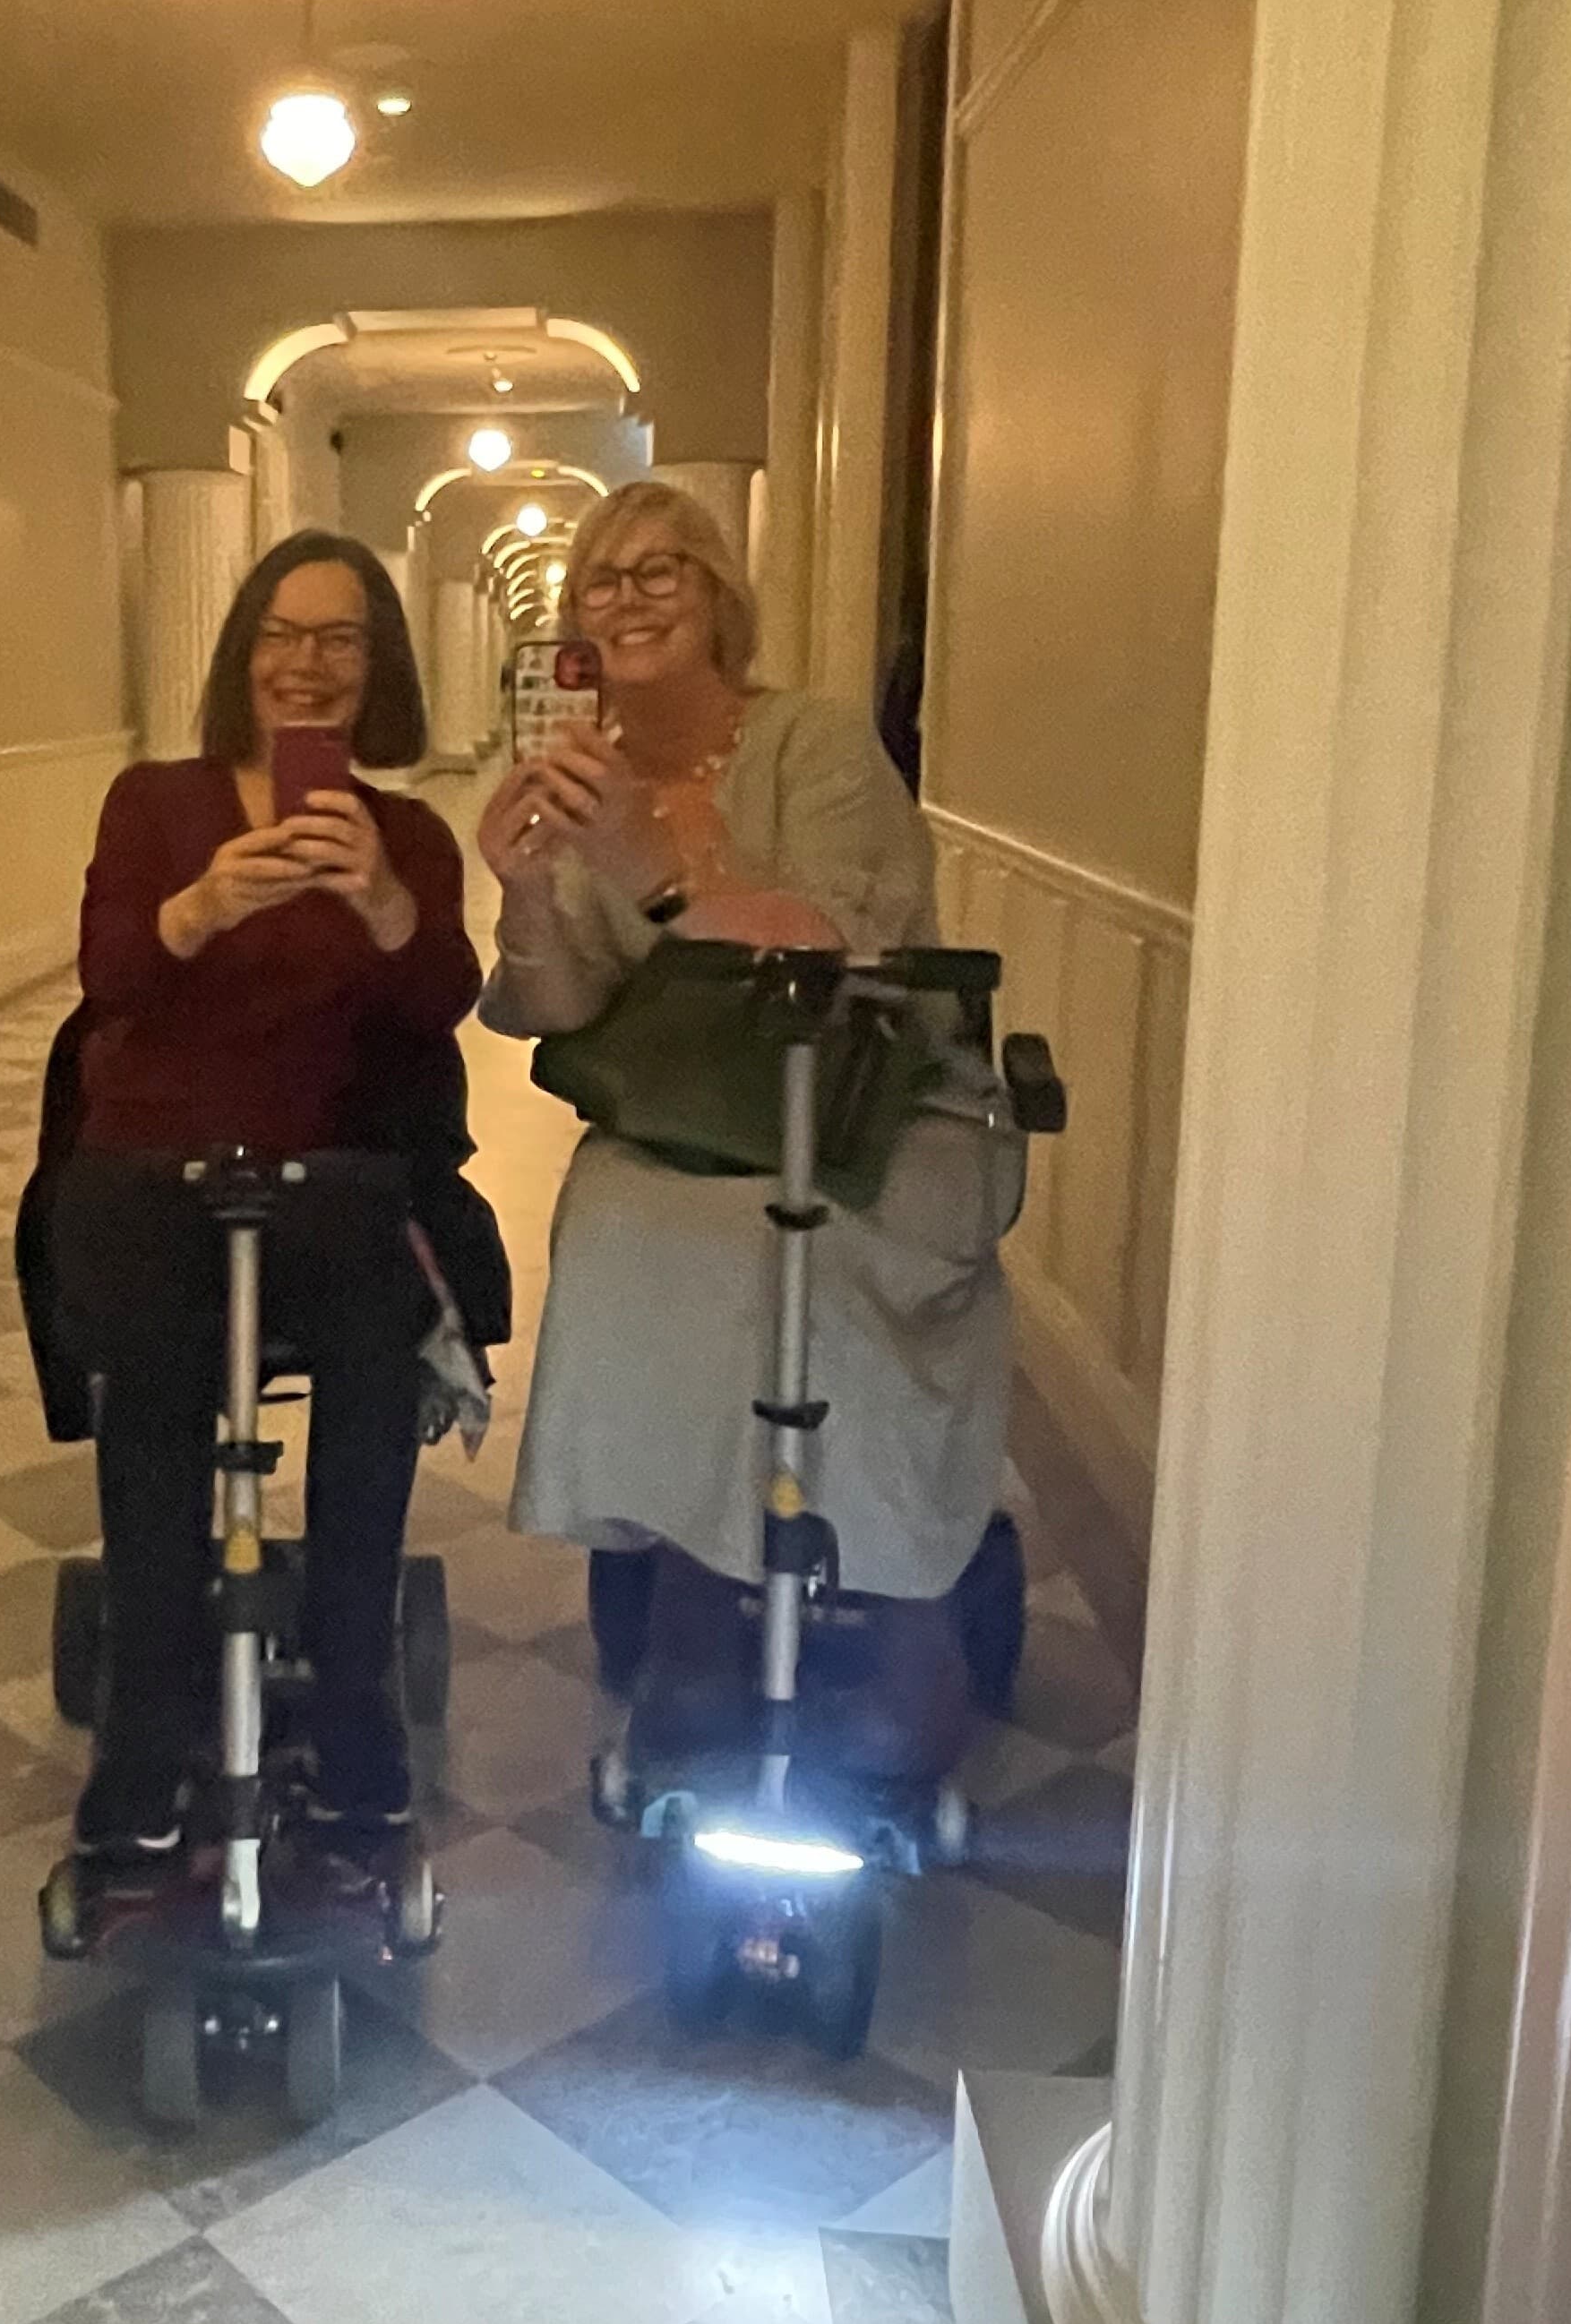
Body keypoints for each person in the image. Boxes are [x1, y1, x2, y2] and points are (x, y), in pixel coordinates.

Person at [476, 480, 1015, 1778]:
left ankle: (905, 1614)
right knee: (616, 1224)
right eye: (604, 577)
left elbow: (832, 935)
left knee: (820, 1248)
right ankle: (686, 1604)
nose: (633, 594)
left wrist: (650, 864)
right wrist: (525, 896)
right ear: (576, 629)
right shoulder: (582, 771)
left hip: (871, 1094)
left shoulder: (813, 744)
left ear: (721, 600)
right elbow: (554, 1009)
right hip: (690, 1113)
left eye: (666, 570)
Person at [50, 534, 481, 1867]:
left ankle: (357, 1699)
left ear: (378, 670)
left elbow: (443, 1005)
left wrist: (388, 903)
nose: (306, 665)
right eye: (282, 636)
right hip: (151, 1168)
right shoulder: (155, 802)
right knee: (160, 1400)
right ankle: (149, 1720)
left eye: (340, 639)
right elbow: (108, 975)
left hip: (330, 1182)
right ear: (244, 653)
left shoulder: (403, 832)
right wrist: (197, 908)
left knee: (372, 1377)